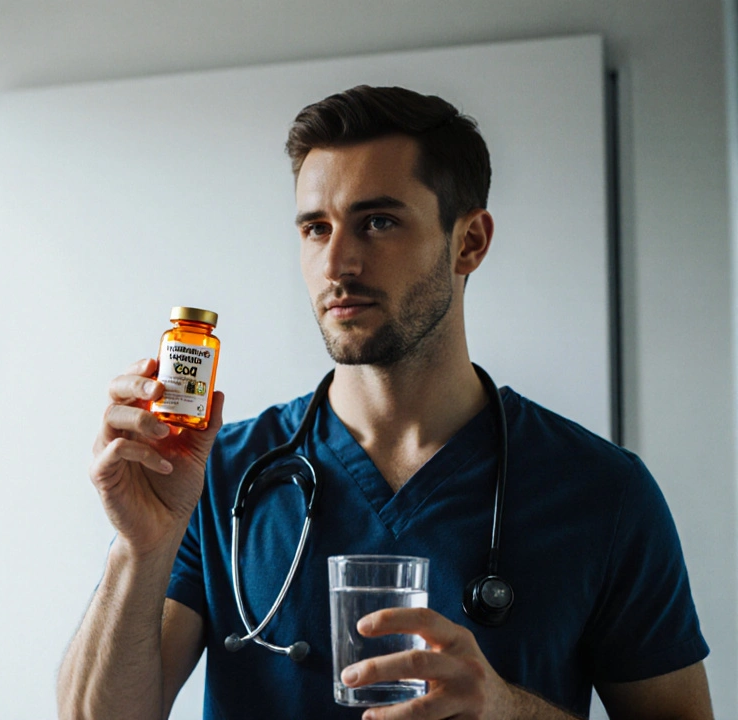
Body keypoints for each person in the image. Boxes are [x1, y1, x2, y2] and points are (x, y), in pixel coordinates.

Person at [56, 85, 712, 719]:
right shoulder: (218, 475)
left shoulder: (601, 491)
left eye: (377, 221)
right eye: (316, 228)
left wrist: (505, 710)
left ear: (470, 242)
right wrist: (139, 548)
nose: (337, 261)